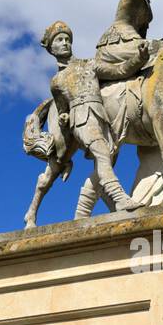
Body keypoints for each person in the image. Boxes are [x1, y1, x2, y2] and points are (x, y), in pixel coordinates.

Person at [39, 20, 140, 214]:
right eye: (59, 40)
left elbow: (119, 70)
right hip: (82, 120)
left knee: (106, 159)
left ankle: (82, 212)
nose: (65, 43)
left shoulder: (89, 64)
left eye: (67, 39)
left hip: (101, 118)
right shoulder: (56, 81)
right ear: (51, 48)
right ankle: (120, 199)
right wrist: (64, 117)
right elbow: (62, 109)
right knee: (103, 154)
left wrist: (139, 58)